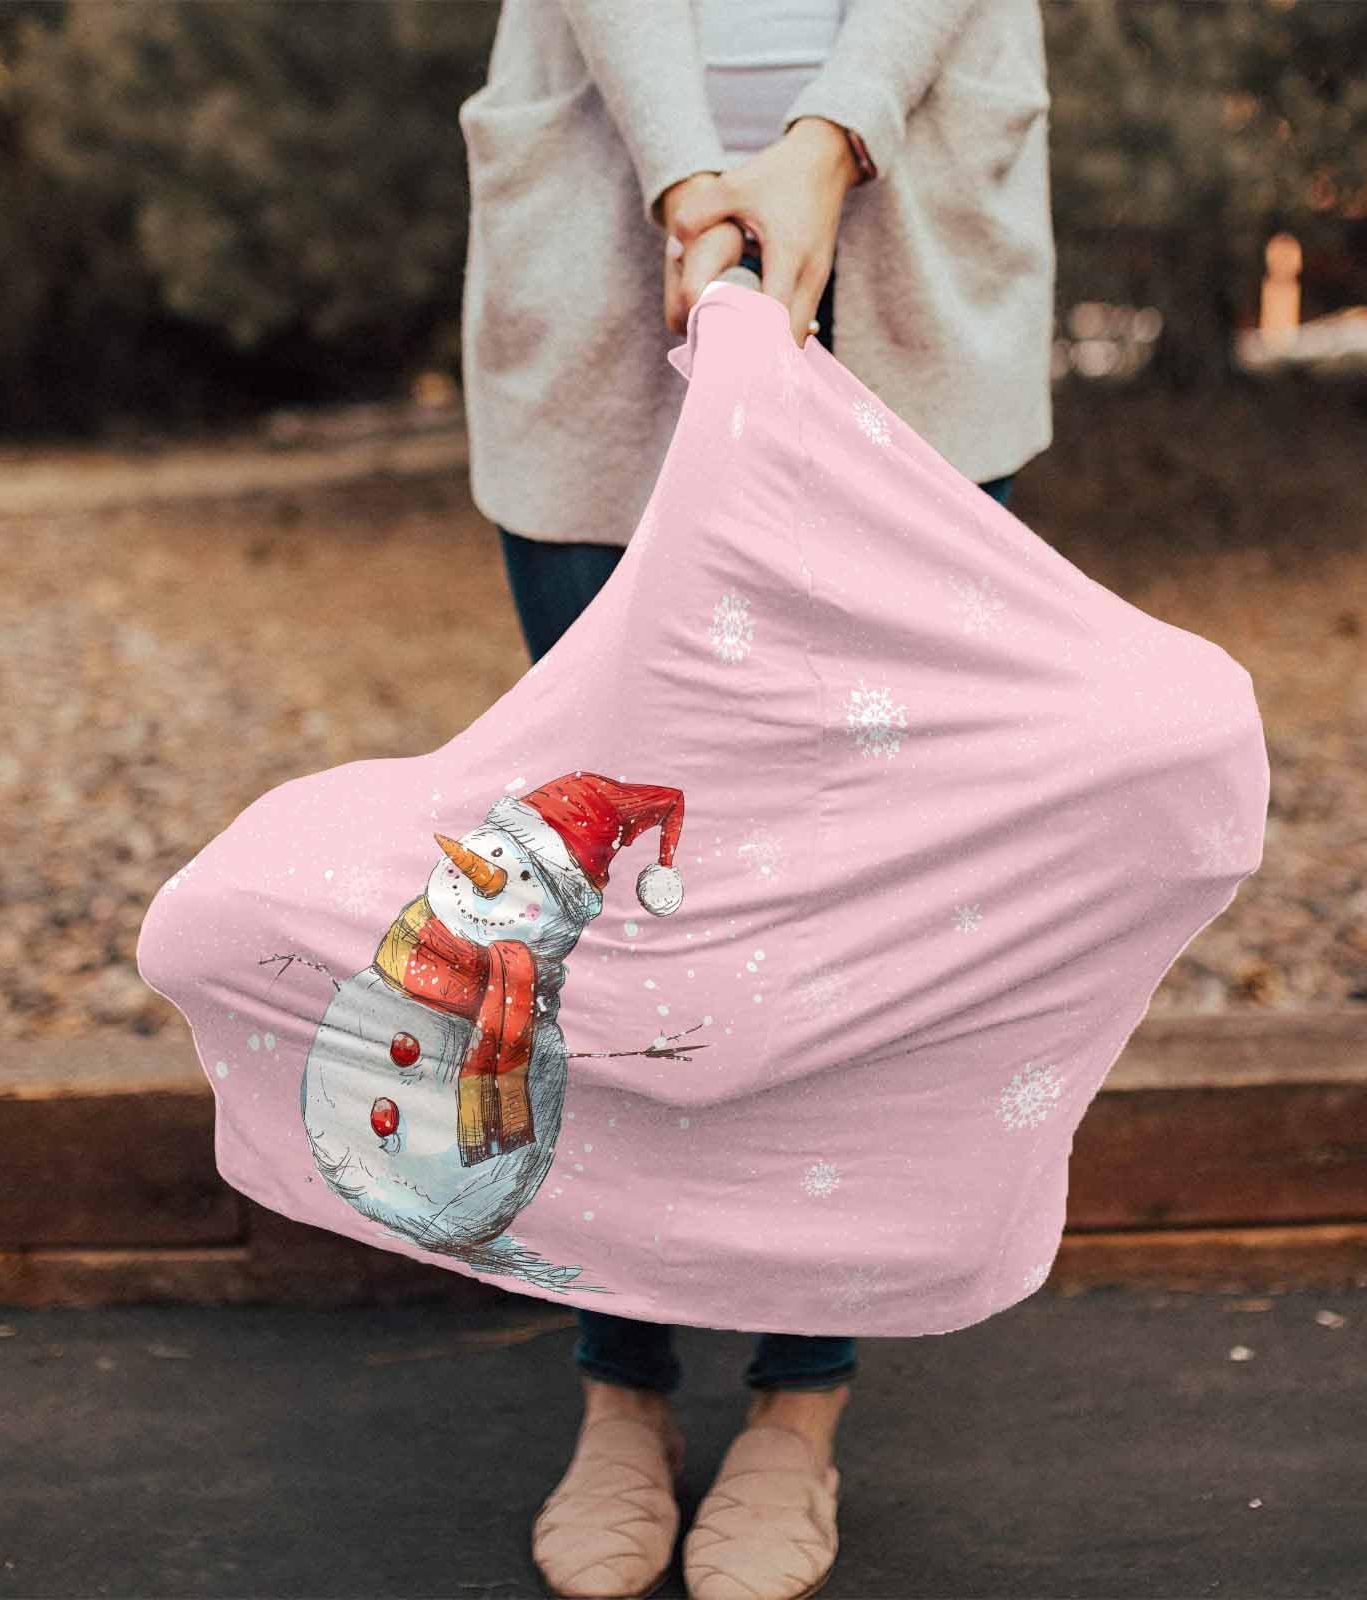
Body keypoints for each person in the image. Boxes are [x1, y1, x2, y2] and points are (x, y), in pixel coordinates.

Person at [457, 4, 1054, 1596]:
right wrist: (685, 177)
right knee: (609, 881)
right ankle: (621, 1385)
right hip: (607, 222)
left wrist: (828, 136)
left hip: (910, 222)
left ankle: (801, 1400)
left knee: (860, 884)